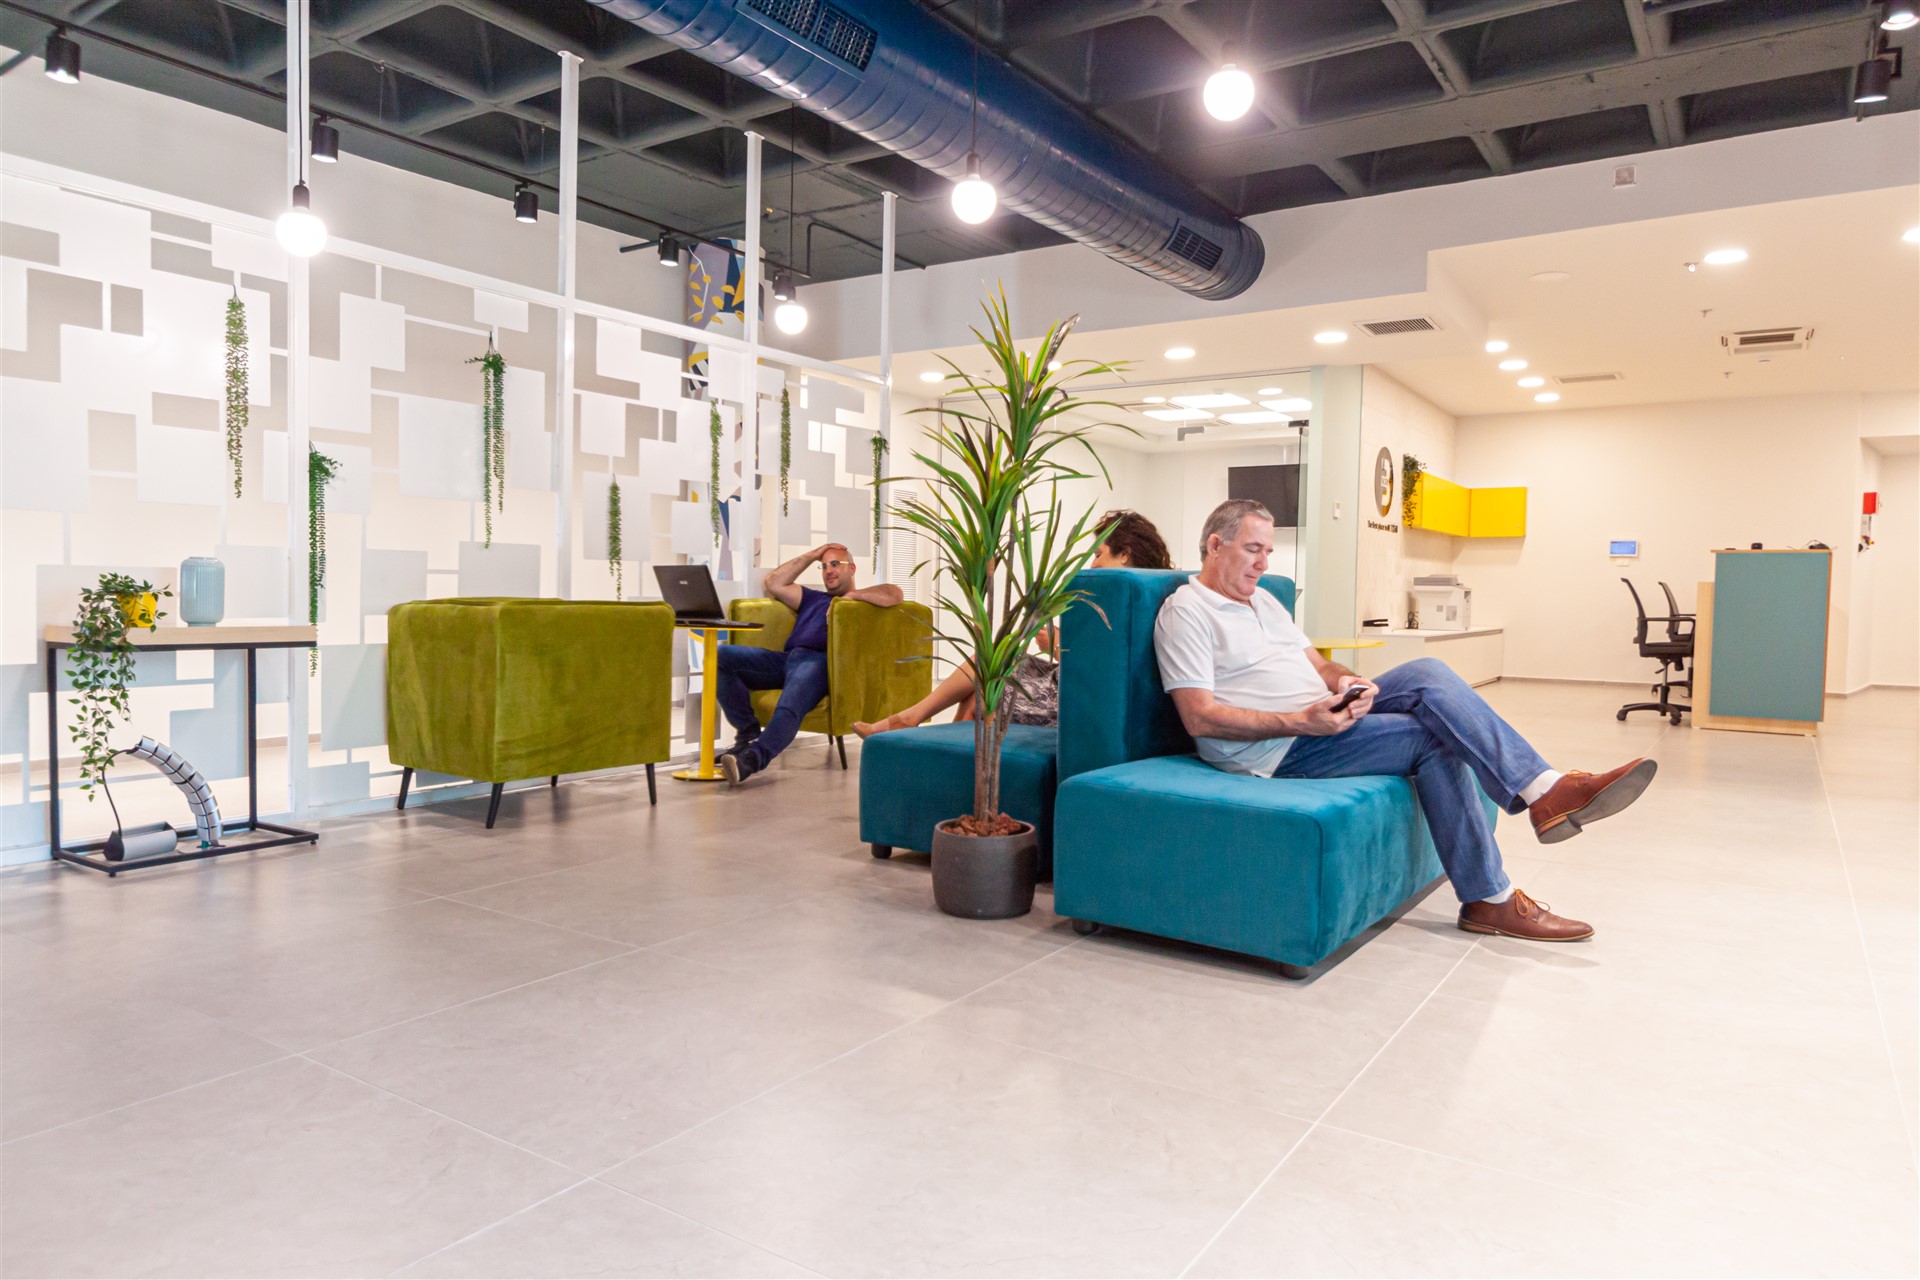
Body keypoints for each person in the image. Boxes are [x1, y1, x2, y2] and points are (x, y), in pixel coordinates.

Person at [1152, 498, 1657, 942]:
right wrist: (1302, 721)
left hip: (1318, 717)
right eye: (1253, 550)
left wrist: (1348, 683)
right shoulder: (1187, 612)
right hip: (1279, 748)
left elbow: (1319, 666)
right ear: (1215, 545)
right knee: (1433, 738)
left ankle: (1545, 788)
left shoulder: (1263, 600)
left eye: (1268, 551)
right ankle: (1491, 896)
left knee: (1427, 672)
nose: (1264, 563)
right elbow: (1199, 718)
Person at [853, 510, 1174, 736]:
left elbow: (1106, 671)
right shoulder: (1144, 594)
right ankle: (919, 728)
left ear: (1124, 554)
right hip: (1064, 681)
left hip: (1071, 697)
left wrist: (1056, 645)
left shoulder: (1127, 601)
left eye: (1099, 554)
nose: (1093, 563)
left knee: (983, 689)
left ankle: (922, 733)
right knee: (990, 658)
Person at [715, 542, 902, 786]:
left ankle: (751, 759)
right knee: (721, 656)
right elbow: (774, 582)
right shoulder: (812, 598)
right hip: (786, 660)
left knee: (790, 703)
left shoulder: (859, 603)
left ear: (852, 568)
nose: (829, 570)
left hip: (818, 662)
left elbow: (895, 593)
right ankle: (747, 736)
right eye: (823, 566)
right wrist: (813, 554)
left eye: (835, 564)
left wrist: (849, 598)